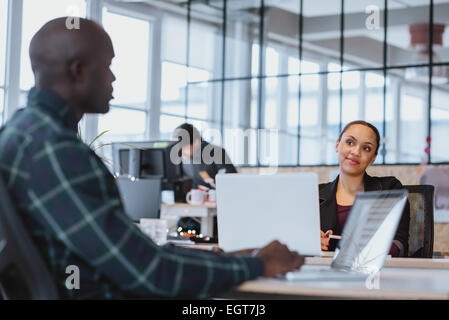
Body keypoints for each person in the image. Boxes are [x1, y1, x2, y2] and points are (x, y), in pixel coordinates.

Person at [0, 17, 304, 299]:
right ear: (78, 71)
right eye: (107, 65)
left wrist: (224, 259)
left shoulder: (23, 134)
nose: (113, 77)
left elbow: (134, 254)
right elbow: (150, 273)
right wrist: (258, 265)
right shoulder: (56, 151)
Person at [319, 120, 410, 257]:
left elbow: (398, 244)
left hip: (375, 274)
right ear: (337, 145)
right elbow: (296, 242)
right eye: (350, 143)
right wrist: (312, 243)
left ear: (373, 158)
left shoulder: (389, 190)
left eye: (366, 148)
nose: (355, 152)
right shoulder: (315, 195)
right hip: (323, 273)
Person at [172, 123, 237, 189]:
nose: (181, 152)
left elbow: (232, 181)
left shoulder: (217, 153)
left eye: (183, 147)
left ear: (196, 143)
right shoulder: (184, 159)